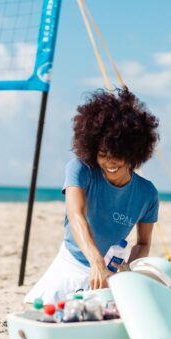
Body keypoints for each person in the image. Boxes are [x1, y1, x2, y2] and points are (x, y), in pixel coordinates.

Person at [25, 88, 159, 304]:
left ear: (133, 152)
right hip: (72, 260)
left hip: (112, 272)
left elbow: (143, 242)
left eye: (118, 156)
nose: (110, 163)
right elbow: (76, 215)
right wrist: (96, 262)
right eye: (103, 155)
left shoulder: (147, 193)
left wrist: (128, 269)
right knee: (31, 308)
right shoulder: (79, 169)